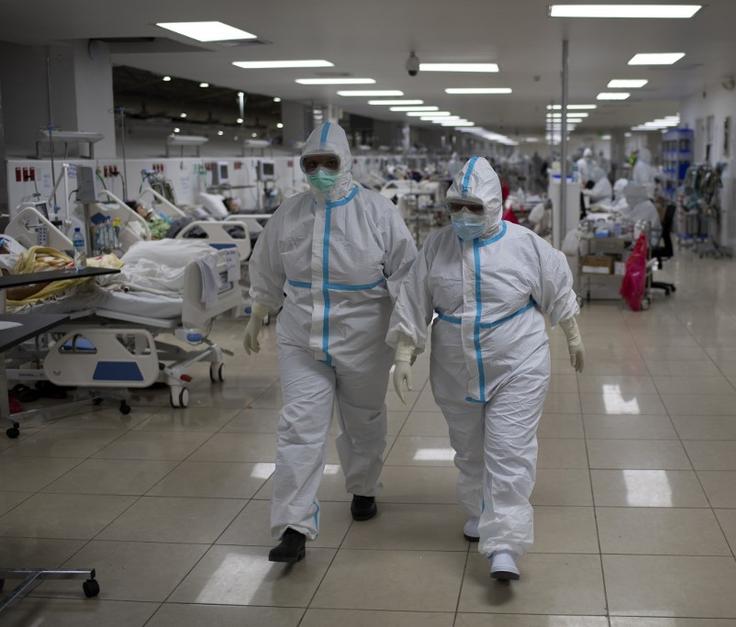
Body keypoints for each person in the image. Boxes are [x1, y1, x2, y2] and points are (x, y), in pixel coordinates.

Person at [386, 157, 584, 582]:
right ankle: (480, 512)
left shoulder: (526, 245)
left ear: (494, 204)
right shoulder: (437, 246)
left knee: (509, 450)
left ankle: (506, 545)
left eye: (473, 207)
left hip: (518, 360)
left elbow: (558, 289)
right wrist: (404, 354)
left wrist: (572, 336)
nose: (463, 216)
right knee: (470, 448)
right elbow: (414, 300)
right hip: (455, 366)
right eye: (456, 206)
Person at [244, 122, 417, 563]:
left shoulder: (378, 212)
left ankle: (363, 488)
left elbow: (408, 278)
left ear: (346, 164)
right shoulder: (290, 212)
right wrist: (258, 310)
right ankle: (293, 527)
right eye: (311, 164)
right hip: (301, 337)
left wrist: (406, 342)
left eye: (329, 163)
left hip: (364, 337)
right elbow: (266, 265)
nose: (319, 171)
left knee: (363, 421)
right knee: (299, 428)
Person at [616, 181, 662, 245]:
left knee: (618, 241)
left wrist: (623, 219)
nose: (627, 200)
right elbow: (628, 212)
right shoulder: (639, 204)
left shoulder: (646, 206)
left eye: (629, 197)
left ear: (636, 197)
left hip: (648, 240)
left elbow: (635, 224)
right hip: (642, 235)